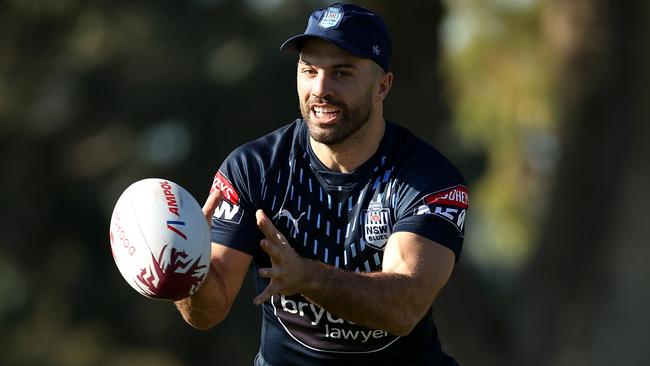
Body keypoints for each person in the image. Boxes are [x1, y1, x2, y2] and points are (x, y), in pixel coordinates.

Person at [175, 3, 469, 365]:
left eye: (342, 73)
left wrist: (307, 278)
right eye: (309, 71)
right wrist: (185, 270)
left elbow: (403, 307)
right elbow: (207, 313)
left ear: (383, 86)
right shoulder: (253, 168)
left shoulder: (428, 179)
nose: (320, 89)